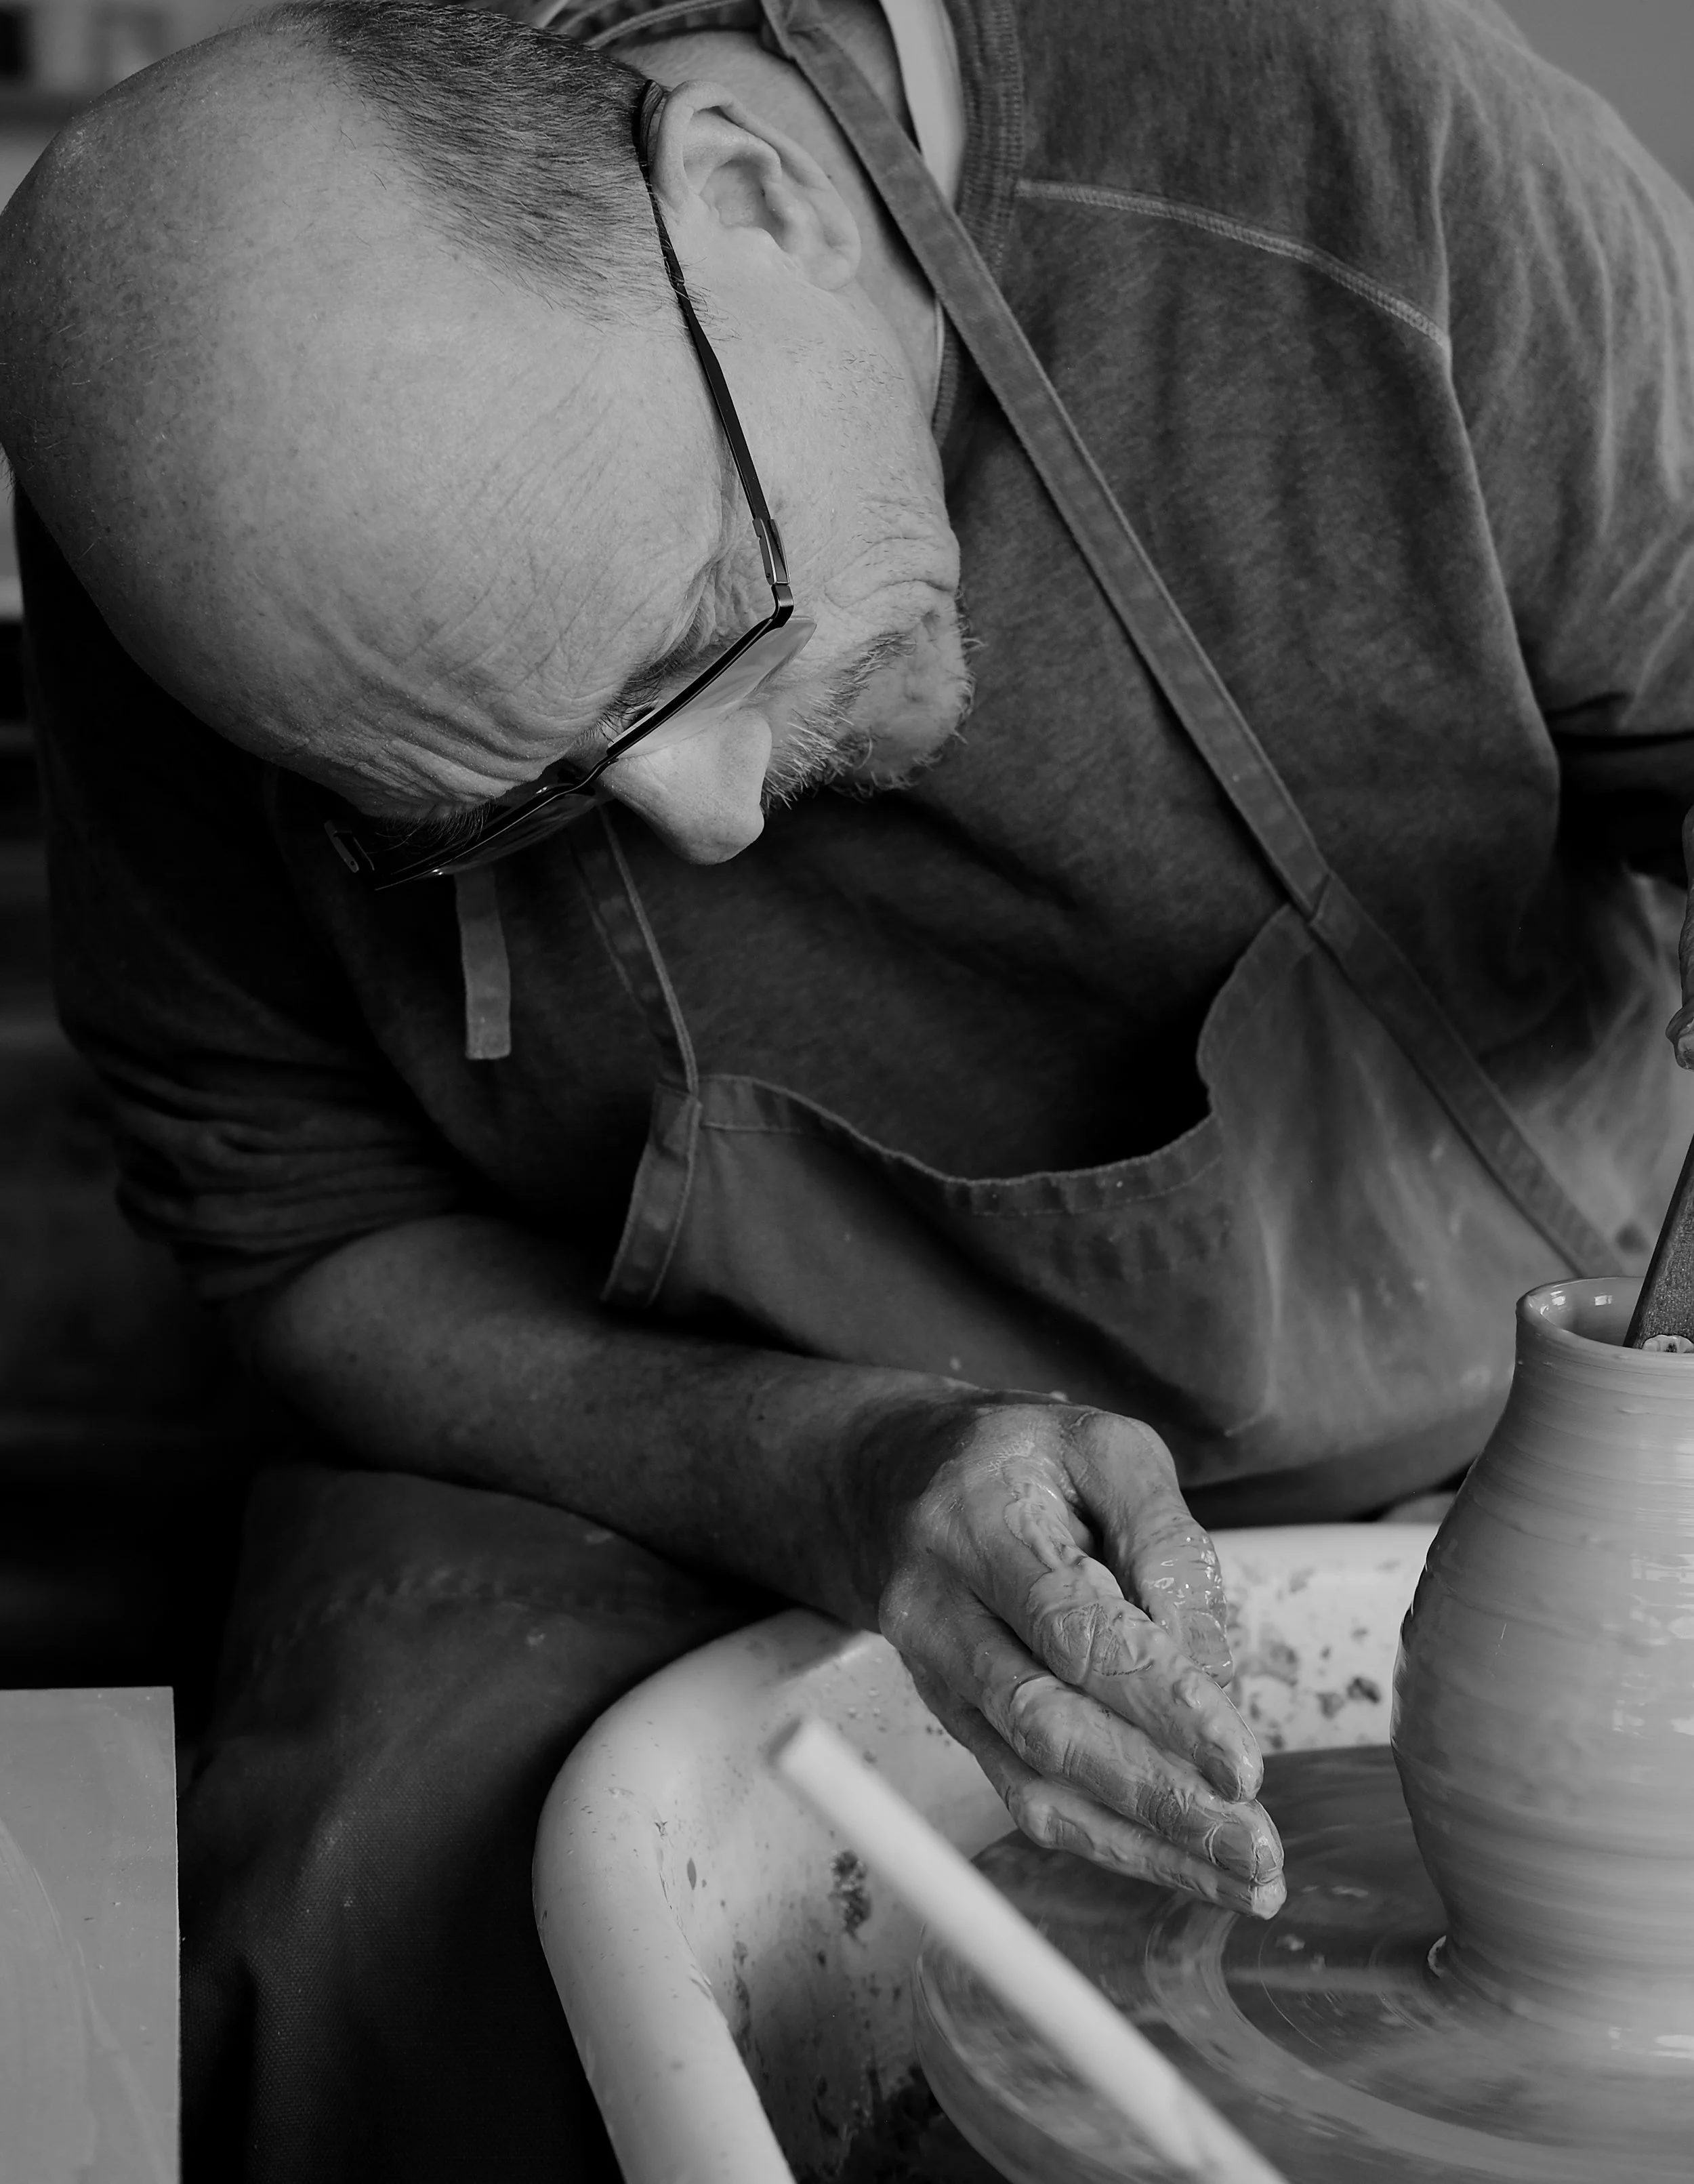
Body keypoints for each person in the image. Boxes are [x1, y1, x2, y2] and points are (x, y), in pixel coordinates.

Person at [5, 0, 1694, 2172]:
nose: (706, 818)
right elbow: (300, 1232)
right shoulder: (196, 536)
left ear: (761, 195)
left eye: (695, 635)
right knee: (392, 1890)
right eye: (505, 804)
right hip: (658, 1455)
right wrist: (812, 1465)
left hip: (1500, 1428)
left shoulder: (1377, 165)